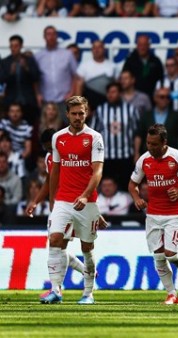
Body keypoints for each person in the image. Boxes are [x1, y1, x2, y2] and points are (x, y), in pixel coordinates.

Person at [43, 96, 106, 305]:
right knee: (55, 240)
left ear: (86, 113)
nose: (78, 117)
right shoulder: (58, 138)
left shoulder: (95, 137)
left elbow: (97, 172)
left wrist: (86, 195)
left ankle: (88, 294)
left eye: (81, 113)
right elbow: (55, 172)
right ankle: (55, 291)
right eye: (74, 113)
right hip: (63, 199)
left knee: (87, 248)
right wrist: (53, 201)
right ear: (67, 114)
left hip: (87, 202)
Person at [129, 124, 178, 305]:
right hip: (153, 214)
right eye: (148, 143)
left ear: (164, 142)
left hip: (174, 213)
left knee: (171, 254)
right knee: (158, 256)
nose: (150, 147)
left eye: (154, 144)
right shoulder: (144, 160)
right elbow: (132, 185)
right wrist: (137, 197)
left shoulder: (177, 157)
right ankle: (172, 294)